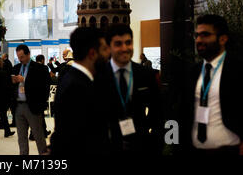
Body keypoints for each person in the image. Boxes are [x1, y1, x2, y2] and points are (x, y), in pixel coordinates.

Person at [177, 14, 243, 155]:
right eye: (197, 35)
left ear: (223, 39)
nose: (199, 40)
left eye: (205, 35)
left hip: (231, 150)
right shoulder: (192, 72)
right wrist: (174, 145)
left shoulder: (240, 70)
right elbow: (180, 113)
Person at [97, 24, 163, 153]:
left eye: (128, 43)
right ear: (109, 46)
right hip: (108, 146)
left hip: (140, 144)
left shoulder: (146, 74)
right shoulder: (98, 76)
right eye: (118, 44)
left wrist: (150, 136)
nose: (124, 48)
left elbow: (158, 109)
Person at [50, 27, 110, 155]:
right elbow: (73, 137)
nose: (108, 53)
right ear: (92, 53)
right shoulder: (76, 87)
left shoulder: (77, 79)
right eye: (105, 49)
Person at [12, 45, 51, 155]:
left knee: (39, 136)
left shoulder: (40, 68)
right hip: (19, 106)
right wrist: (13, 82)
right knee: (22, 138)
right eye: (19, 57)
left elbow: (43, 87)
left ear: (29, 54)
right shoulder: (16, 68)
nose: (20, 59)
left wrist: (24, 80)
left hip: (33, 106)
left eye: (22, 56)